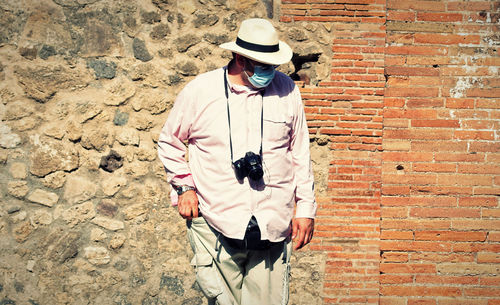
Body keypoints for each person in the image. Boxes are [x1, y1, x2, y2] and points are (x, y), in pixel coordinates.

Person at [158, 18, 316, 305]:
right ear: (240, 58)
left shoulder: (287, 90)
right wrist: (184, 187)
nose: (269, 72)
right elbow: (169, 140)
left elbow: (300, 152)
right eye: (262, 65)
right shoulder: (201, 91)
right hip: (215, 223)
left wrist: (305, 208)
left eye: (273, 65)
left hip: (273, 225)